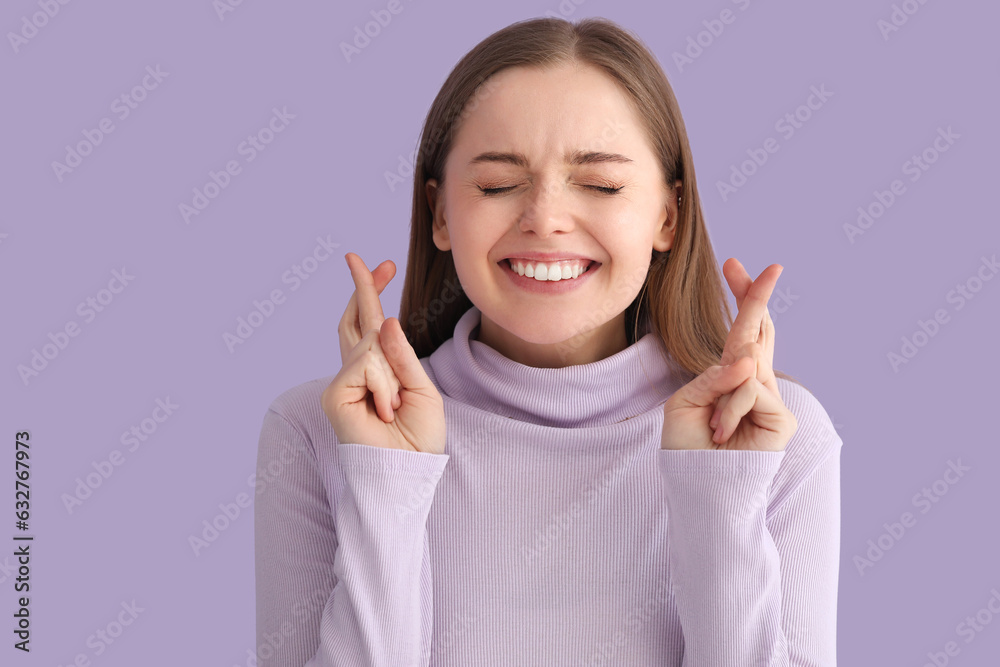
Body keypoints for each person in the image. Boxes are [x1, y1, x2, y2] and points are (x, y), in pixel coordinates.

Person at [254, 16, 842, 667]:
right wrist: (386, 482)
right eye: (498, 184)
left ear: (667, 216)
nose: (546, 218)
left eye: (600, 185)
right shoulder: (317, 430)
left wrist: (723, 491)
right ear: (441, 213)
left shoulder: (778, 438)